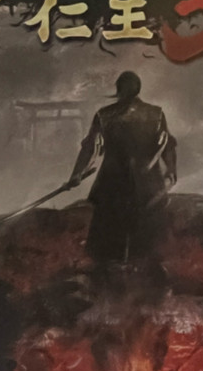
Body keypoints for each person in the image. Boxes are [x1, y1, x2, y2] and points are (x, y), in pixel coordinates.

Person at [65, 71, 176, 267]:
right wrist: (171, 170)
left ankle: (121, 270)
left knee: (116, 237)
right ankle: (134, 269)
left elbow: (90, 148)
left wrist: (77, 174)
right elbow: (167, 146)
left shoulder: (105, 115)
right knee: (142, 237)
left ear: (118, 89)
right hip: (141, 181)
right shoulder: (154, 113)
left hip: (117, 181)